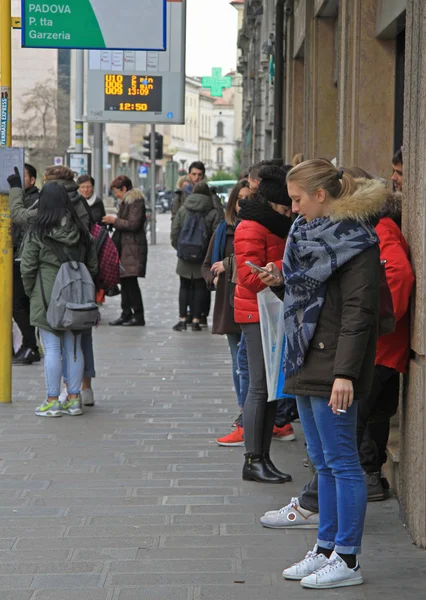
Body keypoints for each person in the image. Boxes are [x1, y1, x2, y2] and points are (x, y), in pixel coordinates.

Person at [257, 159, 387, 588]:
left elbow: (359, 312)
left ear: (320, 194)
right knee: (324, 462)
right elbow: (305, 289)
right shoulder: (305, 234)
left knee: (343, 462)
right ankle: (326, 547)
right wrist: (280, 279)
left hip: (334, 364)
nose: (293, 209)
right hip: (303, 353)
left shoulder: (358, 241)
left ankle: (347, 559)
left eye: (297, 200)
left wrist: (346, 373)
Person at [8, 165, 98, 407]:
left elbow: (27, 268)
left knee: (51, 347)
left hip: (47, 294)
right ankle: (73, 398)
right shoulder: (80, 230)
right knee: (73, 347)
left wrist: (31, 292)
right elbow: (92, 264)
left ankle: (51, 400)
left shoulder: (38, 231)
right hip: (76, 295)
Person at [234, 165, 292, 483]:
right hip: (255, 315)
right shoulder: (252, 226)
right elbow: (248, 277)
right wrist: (285, 265)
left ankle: (263, 457)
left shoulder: (275, 224)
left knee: (271, 388)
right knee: (259, 387)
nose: (289, 210)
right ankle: (253, 459)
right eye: (285, 205)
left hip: (271, 313)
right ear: (273, 202)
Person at [201, 180, 250, 446]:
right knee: (238, 362)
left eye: (248, 198)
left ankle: (255, 418)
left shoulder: (258, 229)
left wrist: (228, 267)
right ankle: (244, 413)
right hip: (228, 305)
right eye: (239, 199)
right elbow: (207, 265)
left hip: (252, 303)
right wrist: (214, 279)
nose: (243, 203)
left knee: (251, 364)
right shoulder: (223, 230)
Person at [171, 182, 220, 331]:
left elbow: (175, 232)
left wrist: (179, 248)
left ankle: (182, 320)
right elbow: (216, 235)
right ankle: (197, 321)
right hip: (203, 255)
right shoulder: (213, 211)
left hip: (185, 255)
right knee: (200, 287)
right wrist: (209, 254)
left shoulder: (183, 209)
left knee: (184, 286)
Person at [104, 176, 147, 327]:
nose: (116, 195)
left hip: (132, 248)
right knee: (125, 281)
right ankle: (126, 313)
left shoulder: (135, 201)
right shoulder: (127, 202)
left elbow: (133, 224)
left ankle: (137, 315)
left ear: (123, 189)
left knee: (130, 282)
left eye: (116, 192)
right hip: (126, 247)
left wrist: (114, 221)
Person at [11, 164, 41, 365]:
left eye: (23, 178)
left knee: (18, 304)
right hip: (15, 257)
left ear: (32, 180)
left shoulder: (33, 200)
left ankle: (31, 345)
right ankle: (28, 344)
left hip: (24, 259)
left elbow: (19, 218)